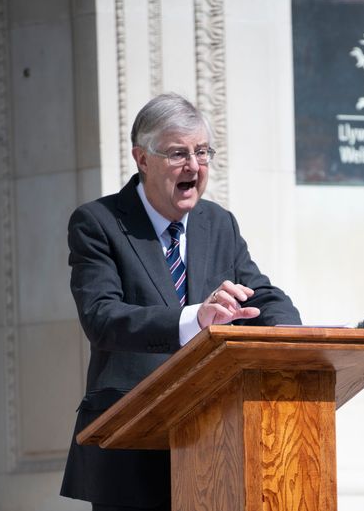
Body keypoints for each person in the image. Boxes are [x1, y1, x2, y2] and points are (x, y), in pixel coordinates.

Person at [60, 93, 301, 511]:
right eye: (178, 153)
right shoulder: (98, 223)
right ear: (142, 158)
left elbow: (259, 293)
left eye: (202, 152)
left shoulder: (218, 223)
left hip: (214, 442)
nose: (194, 166)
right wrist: (195, 319)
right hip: (129, 442)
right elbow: (102, 316)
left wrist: (288, 336)